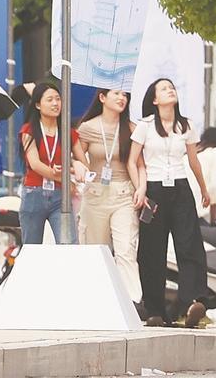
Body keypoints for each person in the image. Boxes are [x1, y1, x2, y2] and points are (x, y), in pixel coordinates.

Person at [128, 78, 211, 328]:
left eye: (172, 87)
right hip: (153, 190)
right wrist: (140, 189)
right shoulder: (144, 126)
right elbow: (133, 160)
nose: (170, 90)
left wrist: (203, 188)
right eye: (164, 89)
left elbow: (193, 160)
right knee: (152, 250)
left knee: (189, 245)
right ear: (154, 100)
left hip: (181, 188)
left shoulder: (186, 125)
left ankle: (192, 302)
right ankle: (155, 310)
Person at [77, 89, 143, 304]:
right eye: (116, 94)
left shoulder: (131, 129)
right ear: (102, 98)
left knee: (126, 249)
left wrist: (141, 188)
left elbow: (139, 164)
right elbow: (76, 156)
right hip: (95, 194)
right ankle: (95, 301)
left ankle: (132, 302)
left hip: (124, 193)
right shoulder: (87, 127)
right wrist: (78, 168)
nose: (122, 98)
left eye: (125, 95)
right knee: (96, 251)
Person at [19, 82, 88, 244]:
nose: (55, 103)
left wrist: (74, 165)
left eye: (58, 99)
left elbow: (84, 165)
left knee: (68, 244)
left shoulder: (69, 132)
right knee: (31, 248)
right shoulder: (29, 130)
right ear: (38, 105)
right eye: (49, 100)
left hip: (60, 197)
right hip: (34, 193)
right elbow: (35, 164)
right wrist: (63, 179)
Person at [186, 127, 216, 223]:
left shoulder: (189, 156)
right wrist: (213, 219)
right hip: (198, 215)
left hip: (180, 213)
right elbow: (215, 188)